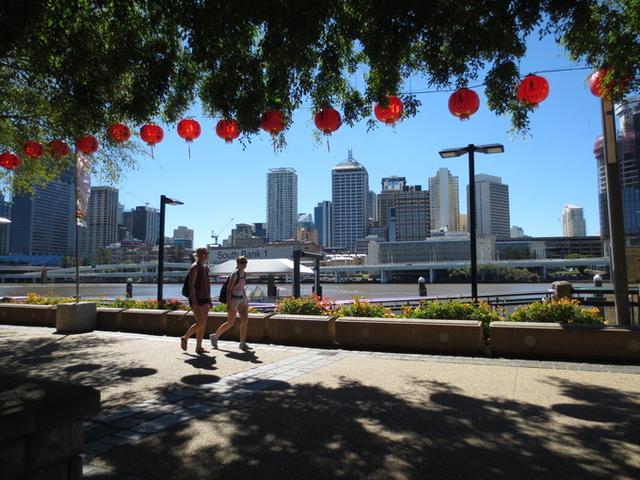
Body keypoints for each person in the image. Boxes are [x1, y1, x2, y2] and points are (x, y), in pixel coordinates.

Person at [210, 256, 251, 351]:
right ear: (237, 263)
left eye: (245, 262)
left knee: (245, 320)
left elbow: (242, 287)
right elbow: (229, 289)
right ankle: (215, 336)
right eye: (241, 262)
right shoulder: (234, 274)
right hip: (233, 299)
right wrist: (228, 303)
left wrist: (246, 299)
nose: (244, 264)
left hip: (242, 299)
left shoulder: (244, 274)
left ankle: (242, 343)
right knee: (230, 322)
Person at [181, 247, 212, 354]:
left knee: (203, 324)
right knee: (200, 322)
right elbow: (191, 285)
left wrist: (209, 300)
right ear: (198, 254)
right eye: (204, 253)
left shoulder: (206, 268)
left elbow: (207, 286)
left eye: (207, 253)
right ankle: (185, 337)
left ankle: (199, 347)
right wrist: (194, 300)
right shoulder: (195, 267)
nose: (206, 255)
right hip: (197, 299)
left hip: (205, 299)